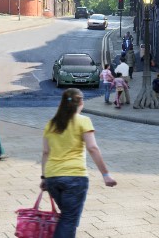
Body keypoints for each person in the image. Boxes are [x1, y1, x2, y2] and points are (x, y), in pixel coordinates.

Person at [41, 89, 117, 237]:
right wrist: (106, 174)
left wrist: (44, 178)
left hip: (52, 177)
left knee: (66, 217)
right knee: (69, 219)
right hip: (74, 177)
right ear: (81, 102)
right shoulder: (83, 121)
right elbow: (92, 148)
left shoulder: (51, 123)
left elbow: (45, 152)